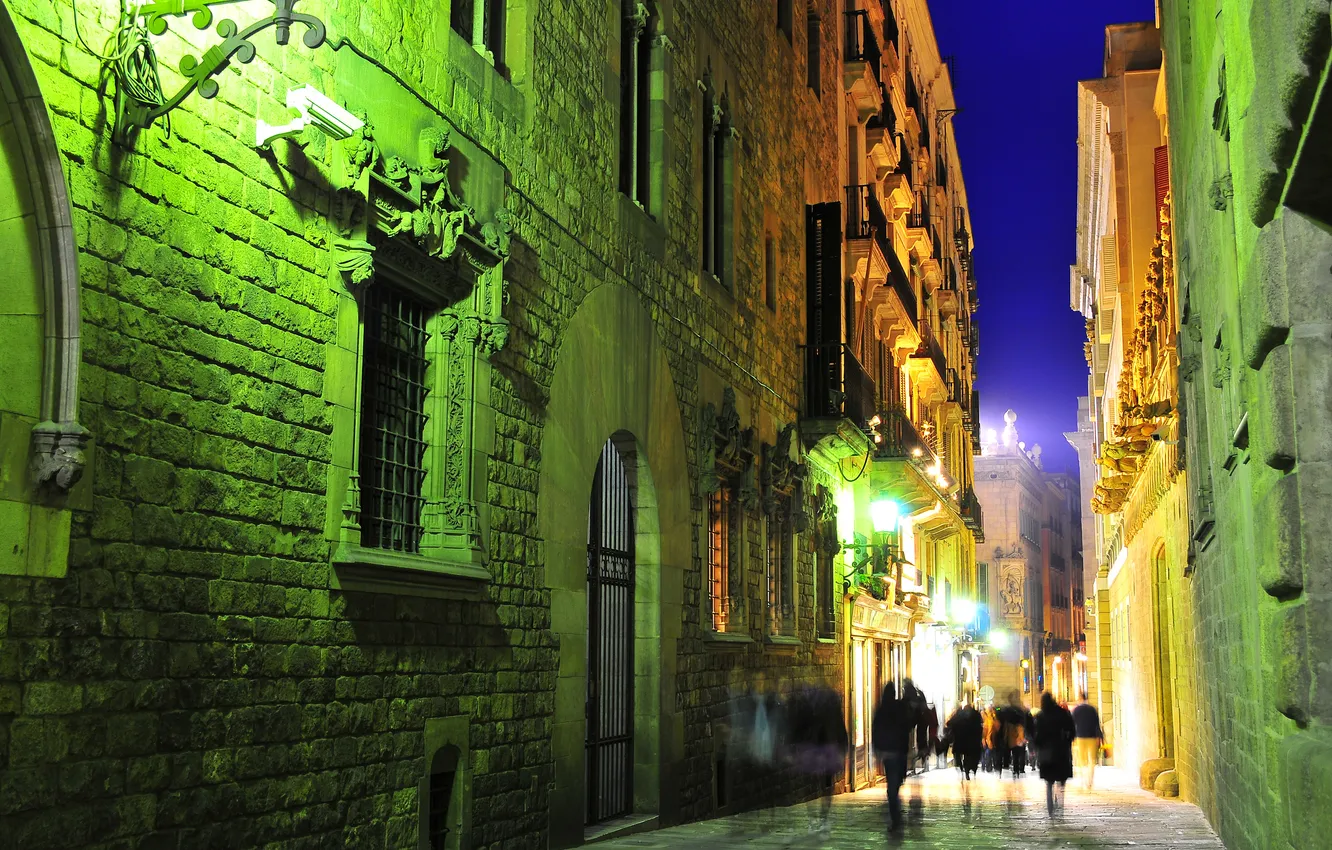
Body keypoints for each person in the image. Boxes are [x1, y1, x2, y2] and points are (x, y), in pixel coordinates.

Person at [872, 682, 916, 832]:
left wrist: (877, 749)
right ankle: (896, 815)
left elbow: (876, 730)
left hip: (888, 753)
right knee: (895, 785)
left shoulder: (881, 709)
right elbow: (909, 725)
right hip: (899, 752)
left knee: (892, 786)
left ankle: (895, 817)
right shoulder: (899, 707)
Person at [1033, 691, 1076, 817]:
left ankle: (1050, 808)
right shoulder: (1063, 713)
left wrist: (1037, 746)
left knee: (1049, 782)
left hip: (1046, 753)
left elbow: (1038, 736)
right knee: (1061, 781)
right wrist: (1067, 742)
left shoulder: (1041, 716)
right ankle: (1059, 804)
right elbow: (1072, 730)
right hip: (1061, 751)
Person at [1071, 691, 1104, 789]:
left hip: (1080, 737)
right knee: (1092, 761)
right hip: (1092, 738)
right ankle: (1089, 782)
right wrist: (1099, 737)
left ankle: (1082, 780)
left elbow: (1072, 725)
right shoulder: (1092, 709)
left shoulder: (1076, 710)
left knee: (1081, 761)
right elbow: (1097, 725)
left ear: (1080, 698)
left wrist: (1072, 738)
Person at [945, 700, 984, 780]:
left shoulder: (959, 714)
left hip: (960, 739)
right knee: (969, 755)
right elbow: (980, 727)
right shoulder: (976, 714)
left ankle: (962, 767)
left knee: (959, 753)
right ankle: (968, 769)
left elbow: (949, 723)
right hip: (972, 740)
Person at [997, 690, 1032, 778]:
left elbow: (1000, 719)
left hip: (1009, 734)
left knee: (1008, 753)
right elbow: (1027, 723)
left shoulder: (1006, 710)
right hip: (1018, 734)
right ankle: (1017, 769)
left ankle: (1008, 768)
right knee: (1018, 753)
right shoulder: (1022, 710)